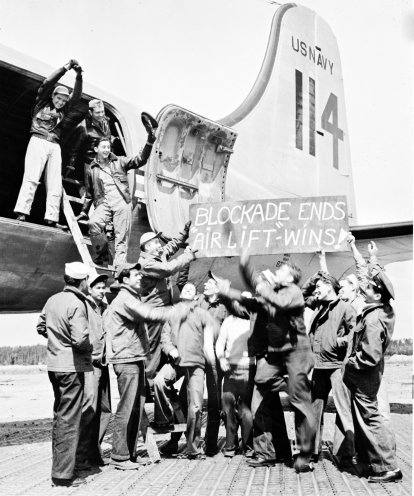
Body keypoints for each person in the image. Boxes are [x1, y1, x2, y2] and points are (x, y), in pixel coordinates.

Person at [217, 254, 316, 472]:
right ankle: (269, 451)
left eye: (280, 271)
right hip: (273, 357)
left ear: (289, 276)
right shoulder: (268, 297)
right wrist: (228, 289)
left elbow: (275, 301)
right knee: (262, 391)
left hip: (296, 354)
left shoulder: (292, 293)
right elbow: (245, 304)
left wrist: (261, 285)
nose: (275, 272)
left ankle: (305, 455)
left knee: (299, 405)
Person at [104, 261, 192, 470]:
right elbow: (152, 314)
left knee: (135, 408)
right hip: (126, 360)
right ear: (125, 280)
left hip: (134, 359)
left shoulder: (130, 298)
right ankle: (120, 456)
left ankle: (130, 453)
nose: (140, 278)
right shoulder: (126, 300)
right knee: (126, 409)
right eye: (135, 275)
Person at [343, 271, 402, 483]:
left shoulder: (374, 318)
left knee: (371, 419)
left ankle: (388, 467)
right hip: (365, 376)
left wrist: (351, 362)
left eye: (368, 287)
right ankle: (373, 462)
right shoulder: (379, 310)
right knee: (364, 419)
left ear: (377, 296)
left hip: (364, 375)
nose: (363, 287)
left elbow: (370, 355)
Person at [36, 262, 92, 487]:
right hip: (71, 368)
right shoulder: (77, 303)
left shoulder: (52, 300)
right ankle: (63, 476)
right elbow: (80, 340)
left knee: (60, 417)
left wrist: (56, 342)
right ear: (83, 281)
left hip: (54, 366)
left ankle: (60, 468)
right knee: (69, 419)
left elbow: (41, 326)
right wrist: (91, 347)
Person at [14, 60, 83, 226]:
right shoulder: (41, 103)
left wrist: (79, 76)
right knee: (31, 177)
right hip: (38, 140)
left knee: (55, 183)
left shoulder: (64, 110)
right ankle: (22, 211)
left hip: (55, 145)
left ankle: (52, 218)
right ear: (53, 96)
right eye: (58, 98)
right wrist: (65, 69)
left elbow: (77, 96)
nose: (60, 102)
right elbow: (47, 83)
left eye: (63, 100)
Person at [302, 270, 356, 466]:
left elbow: (354, 335)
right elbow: (303, 294)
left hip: (337, 366)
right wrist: (314, 277)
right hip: (319, 365)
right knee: (314, 409)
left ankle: (345, 454)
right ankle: (312, 451)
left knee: (343, 410)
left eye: (320, 286)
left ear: (331, 287)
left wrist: (336, 342)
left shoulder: (346, 308)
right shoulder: (318, 305)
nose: (316, 289)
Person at [158, 282, 217, 458]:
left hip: (196, 365)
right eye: (185, 289)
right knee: (160, 382)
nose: (188, 290)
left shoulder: (201, 313)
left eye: (192, 289)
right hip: (176, 362)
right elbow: (164, 337)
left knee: (196, 406)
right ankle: (167, 417)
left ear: (196, 296)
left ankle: (193, 448)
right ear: (181, 294)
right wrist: (170, 350)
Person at [77, 134, 154, 268]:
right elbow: (89, 193)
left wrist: (149, 143)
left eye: (108, 147)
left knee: (121, 239)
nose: (107, 150)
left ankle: (119, 270)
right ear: (96, 149)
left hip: (121, 201)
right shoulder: (92, 168)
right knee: (93, 223)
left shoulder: (119, 161)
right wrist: (84, 211)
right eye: (103, 147)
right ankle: (102, 253)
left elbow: (140, 160)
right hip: (104, 202)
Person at [138, 225, 194, 399]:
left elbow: (171, 246)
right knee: (153, 352)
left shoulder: (158, 254)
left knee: (166, 347)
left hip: (165, 311)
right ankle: (148, 387)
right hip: (154, 314)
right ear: (148, 247)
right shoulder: (146, 263)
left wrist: (183, 232)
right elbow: (168, 269)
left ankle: (160, 385)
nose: (159, 245)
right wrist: (188, 256)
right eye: (155, 242)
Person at [76, 273, 111, 470]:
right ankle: (82, 457)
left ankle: (94, 450)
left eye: (103, 287)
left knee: (106, 409)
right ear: (89, 289)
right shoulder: (84, 307)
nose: (102, 290)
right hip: (90, 365)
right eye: (98, 287)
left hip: (104, 364)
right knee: (89, 410)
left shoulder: (105, 308)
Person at [215, 293, 255, 457]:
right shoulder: (228, 321)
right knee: (228, 409)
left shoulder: (253, 322)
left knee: (246, 411)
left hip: (248, 368)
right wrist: (222, 358)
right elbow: (220, 343)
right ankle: (230, 446)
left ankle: (248, 446)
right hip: (230, 369)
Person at [198, 273, 229, 456]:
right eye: (207, 281)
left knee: (214, 402)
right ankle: (184, 441)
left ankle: (210, 444)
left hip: (214, 360)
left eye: (211, 282)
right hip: (195, 358)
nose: (206, 284)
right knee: (191, 399)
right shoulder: (198, 302)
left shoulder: (224, 308)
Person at [66, 99, 112, 177]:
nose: (101, 115)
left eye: (102, 111)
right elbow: (73, 150)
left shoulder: (105, 123)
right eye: (98, 112)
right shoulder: (83, 127)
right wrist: (69, 168)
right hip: (89, 165)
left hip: (104, 164)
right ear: (90, 113)